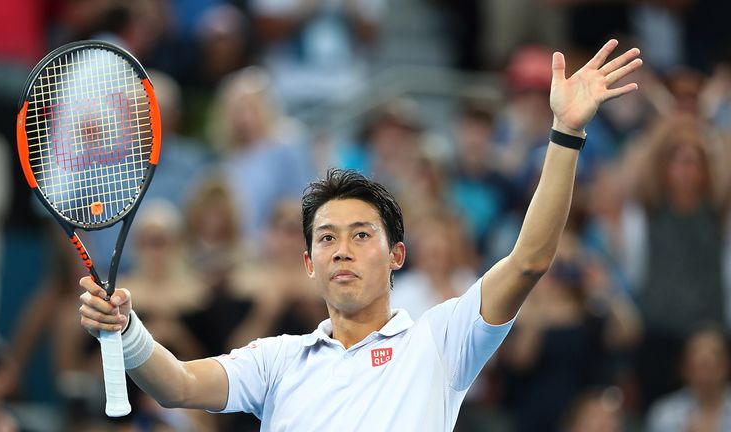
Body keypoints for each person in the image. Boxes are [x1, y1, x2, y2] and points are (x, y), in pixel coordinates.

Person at [78, 40, 642, 430]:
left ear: (397, 255)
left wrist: (565, 132)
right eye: (326, 238)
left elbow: (529, 260)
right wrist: (128, 331)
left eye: (361, 235)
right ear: (308, 263)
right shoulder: (277, 361)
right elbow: (177, 385)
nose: (342, 249)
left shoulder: (440, 342)